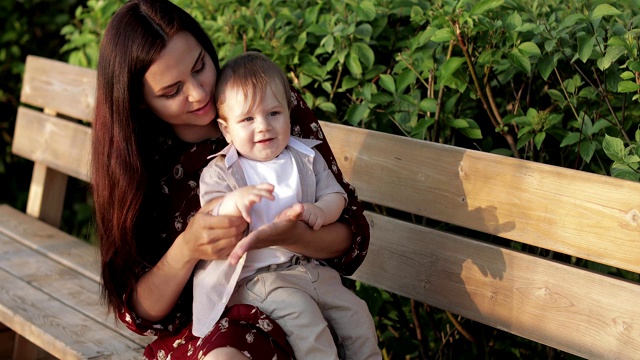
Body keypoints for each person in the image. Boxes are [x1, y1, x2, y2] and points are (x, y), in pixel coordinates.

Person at [91, 0, 370, 359]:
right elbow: (140, 312)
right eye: (172, 91)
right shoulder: (139, 163)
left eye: (200, 67)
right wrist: (188, 247)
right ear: (140, 102)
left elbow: (352, 234)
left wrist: (300, 237)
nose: (199, 92)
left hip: (303, 301)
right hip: (211, 325)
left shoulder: (262, 103)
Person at [193, 52, 381, 359]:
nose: (263, 126)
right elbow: (210, 213)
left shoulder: (305, 156)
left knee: (357, 314)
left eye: (273, 113)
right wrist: (232, 201)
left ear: (289, 115)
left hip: (309, 267)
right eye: (248, 119)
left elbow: (337, 196)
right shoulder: (222, 171)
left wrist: (320, 211)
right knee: (305, 320)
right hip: (259, 277)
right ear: (227, 130)